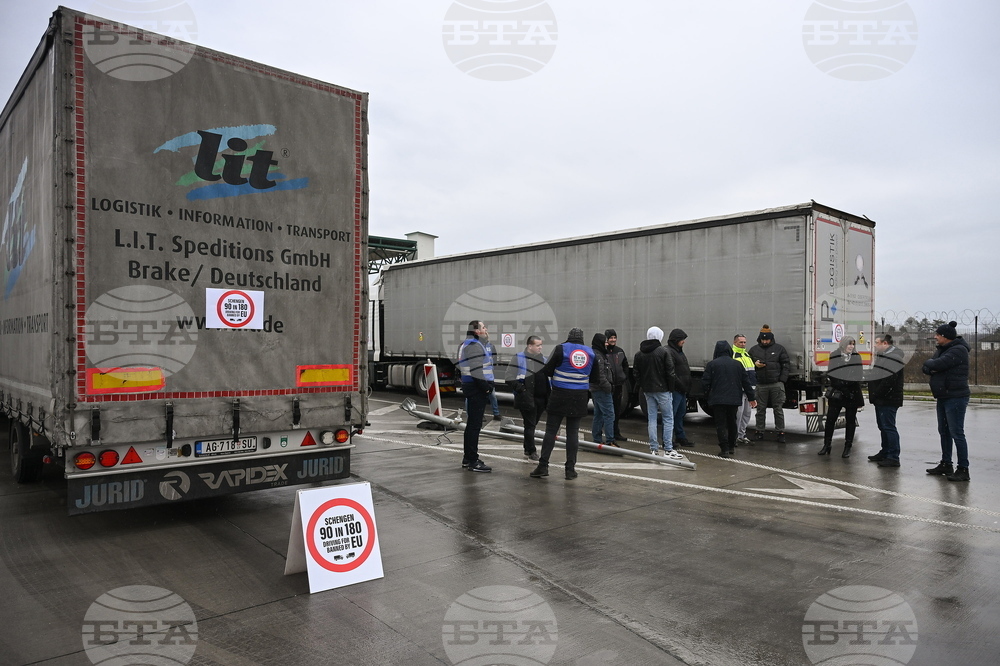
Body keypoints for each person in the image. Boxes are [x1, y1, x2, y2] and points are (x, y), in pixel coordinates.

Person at [530, 328, 594, 481]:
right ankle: (570, 470)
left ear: (569, 337)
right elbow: (595, 376)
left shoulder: (561, 349)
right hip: (579, 397)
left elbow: (547, 370)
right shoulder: (590, 353)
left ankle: (543, 466)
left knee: (551, 431)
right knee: (573, 433)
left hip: (559, 395)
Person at [922, 321, 972, 482]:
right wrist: (932, 366)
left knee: (956, 432)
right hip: (943, 396)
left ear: (945, 336)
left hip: (955, 396)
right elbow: (927, 367)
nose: (935, 337)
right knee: (944, 431)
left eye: (937, 335)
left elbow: (936, 364)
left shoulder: (958, 350)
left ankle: (963, 468)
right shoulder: (943, 350)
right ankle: (946, 463)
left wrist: (933, 365)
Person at [632, 326, 683, 460]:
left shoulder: (639, 353)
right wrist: (670, 388)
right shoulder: (663, 351)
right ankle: (668, 448)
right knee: (668, 419)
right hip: (663, 390)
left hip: (648, 391)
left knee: (652, 419)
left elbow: (636, 374)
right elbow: (670, 372)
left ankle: (653, 448)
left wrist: (643, 385)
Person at [702, 340, 757, 457]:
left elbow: (705, 383)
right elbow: (746, 382)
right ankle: (732, 446)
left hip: (718, 399)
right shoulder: (737, 364)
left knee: (721, 424)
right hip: (734, 399)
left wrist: (708, 395)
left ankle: (724, 449)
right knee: (732, 422)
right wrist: (752, 397)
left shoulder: (712, 364)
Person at [818, 337, 865, 458]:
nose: (851, 346)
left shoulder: (856, 357)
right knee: (830, 420)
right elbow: (832, 373)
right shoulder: (834, 355)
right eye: (849, 344)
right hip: (838, 392)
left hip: (852, 393)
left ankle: (848, 446)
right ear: (843, 344)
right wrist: (842, 387)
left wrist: (847, 386)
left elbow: (858, 374)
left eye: (853, 344)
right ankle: (827, 444)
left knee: (850, 420)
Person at [505, 335, 549, 461]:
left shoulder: (543, 360)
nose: (540, 347)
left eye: (541, 345)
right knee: (530, 425)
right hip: (527, 397)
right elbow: (509, 377)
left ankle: (527, 447)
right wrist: (522, 390)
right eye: (538, 345)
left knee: (532, 425)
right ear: (530, 346)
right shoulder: (519, 358)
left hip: (541, 398)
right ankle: (531, 451)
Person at [458, 320, 494, 473]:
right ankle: (473, 460)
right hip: (476, 389)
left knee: (472, 424)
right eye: (484, 327)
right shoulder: (474, 346)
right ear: (477, 331)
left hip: (472, 387)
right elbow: (476, 370)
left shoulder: (467, 344)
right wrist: (486, 389)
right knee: (474, 426)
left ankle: (468, 458)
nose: (486, 329)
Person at [867, 334, 905, 467]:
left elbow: (888, 381)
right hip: (882, 399)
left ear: (885, 344)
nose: (875, 346)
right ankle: (885, 451)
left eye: (877, 343)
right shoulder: (885, 357)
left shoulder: (893, 358)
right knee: (883, 426)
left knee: (889, 427)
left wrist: (877, 393)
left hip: (888, 399)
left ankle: (893, 456)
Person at [749, 325, 791, 442]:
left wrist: (782, 380)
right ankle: (759, 431)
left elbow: (786, 364)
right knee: (760, 409)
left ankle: (780, 432)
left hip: (776, 384)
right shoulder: (754, 350)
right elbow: (747, 363)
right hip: (761, 384)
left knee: (778, 409)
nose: (765, 341)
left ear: (771, 339)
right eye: (763, 339)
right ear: (760, 339)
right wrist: (755, 364)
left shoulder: (779, 349)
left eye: (767, 339)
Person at [666, 328, 695, 447]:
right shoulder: (669, 352)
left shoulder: (678, 351)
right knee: (671, 415)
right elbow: (670, 373)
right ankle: (668, 439)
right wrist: (680, 385)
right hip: (675, 390)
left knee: (680, 414)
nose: (684, 342)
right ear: (676, 340)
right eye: (682, 339)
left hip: (681, 390)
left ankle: (680, 437)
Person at [589, 333, 616, 446]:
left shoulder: (597, 354)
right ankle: (610, 440)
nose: (607, 343)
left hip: (597, 389)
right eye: (604, 341)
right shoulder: (598, 356)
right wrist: (608, 387)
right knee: (609, 414)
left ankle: (597, 439)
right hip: (601, 389)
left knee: (599, 414)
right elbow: (600, 375)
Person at [604, 329, 630, 442]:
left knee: (617, 409)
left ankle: (616, 432)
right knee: (608, 411)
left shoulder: (620, 351)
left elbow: (625, 365)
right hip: (608, 386)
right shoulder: (603, 352)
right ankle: (608, 434)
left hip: (618, 385)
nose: (613, 340)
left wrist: (623, 377)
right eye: (611, 338)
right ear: (607, 339)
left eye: (615, 337)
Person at [732, 333, 757, 446]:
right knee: (739, 413)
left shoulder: (746, 355)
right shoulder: (733, 355)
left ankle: (742, 435)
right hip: (739, 390)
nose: (743, 344)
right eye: (740, 342)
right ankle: (735, 436)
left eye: (744, 342)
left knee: (747, 413)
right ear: (735, 343)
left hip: (749, 389)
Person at [484, 339, 502, 421]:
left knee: (492, 395)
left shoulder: (490, 346)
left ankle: (496, 413)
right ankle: (480, 414)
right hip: (480, 376)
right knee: (480, 397)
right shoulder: (477, 346)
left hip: (489, 375)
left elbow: (494, 358)